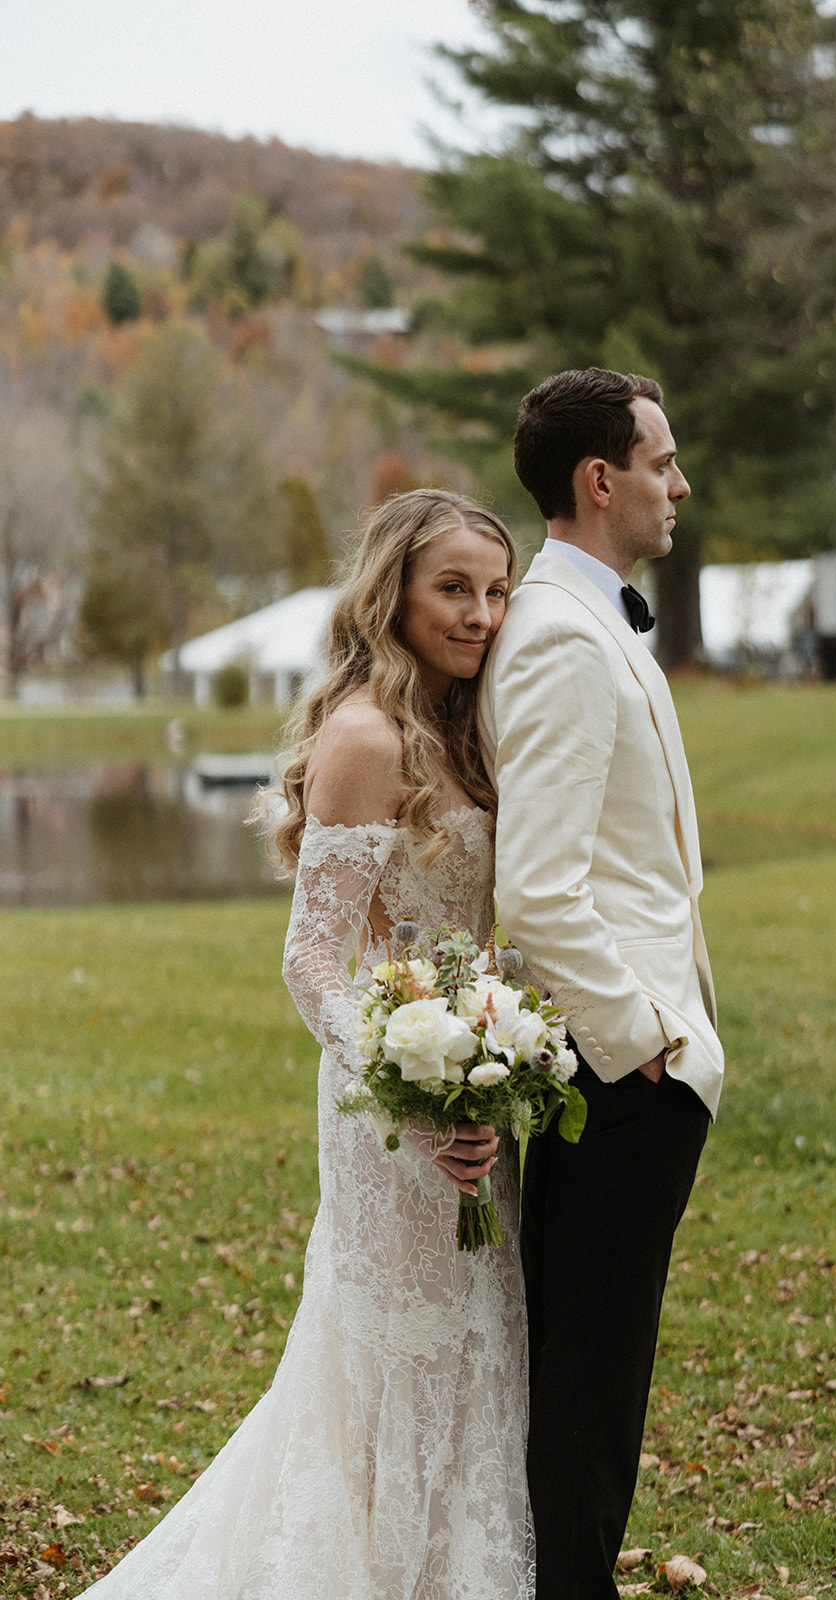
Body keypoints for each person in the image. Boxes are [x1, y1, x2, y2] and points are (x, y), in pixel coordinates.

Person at [77, 489, 533, 1600]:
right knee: (387, 1358)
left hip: (473, 1097)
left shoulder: (474, 730)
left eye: (494, 589)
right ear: (392, 594)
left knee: (478, 1344)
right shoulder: (366, 735)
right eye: (452, 588)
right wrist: (414, 1093)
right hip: (393, 1108)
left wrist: (495, 1061)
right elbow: (312, 958)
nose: (480, 613)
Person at [479, 369, 726, 1600]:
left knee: (595, 1369)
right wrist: (643, 1041)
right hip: (618, 1073)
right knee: (588, 1382)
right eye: (662, 462)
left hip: (634, 1064)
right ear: (600, 479)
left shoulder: (589, 620)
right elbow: (536, 886)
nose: (678, 485)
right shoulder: (563, 641)